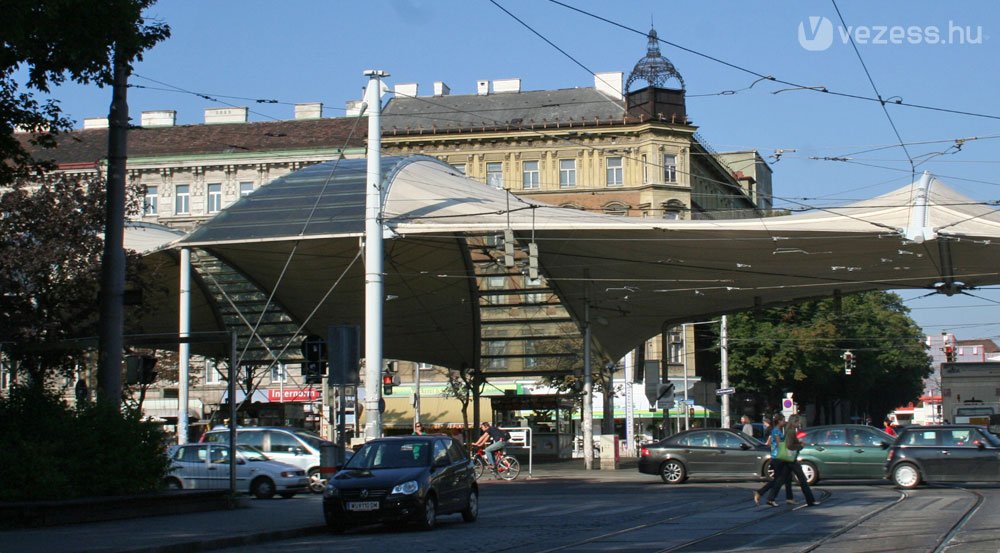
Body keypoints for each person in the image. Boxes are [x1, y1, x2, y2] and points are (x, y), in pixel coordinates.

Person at [766, 415, 819, 507]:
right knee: (802, 479)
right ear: (794, 422)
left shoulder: (788, 430)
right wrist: (800, 445)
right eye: (798, 422)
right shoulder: (791, 431)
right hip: (791, 459)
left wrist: (798, 443)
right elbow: (790, 446)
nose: (799, 424)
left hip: (788, 458)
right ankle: (811, 500)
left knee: (781, 479)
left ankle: (771, 498)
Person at [753, 413, 793, 505]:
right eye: (783, 420)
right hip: (777, 457)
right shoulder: (776, 431)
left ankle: (789, 498)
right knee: (778, 479)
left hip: (778, 457)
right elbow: (779, 444)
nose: (784, 422)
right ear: (779, 421)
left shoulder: (778, 430)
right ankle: (762, 493)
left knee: (787, 477)